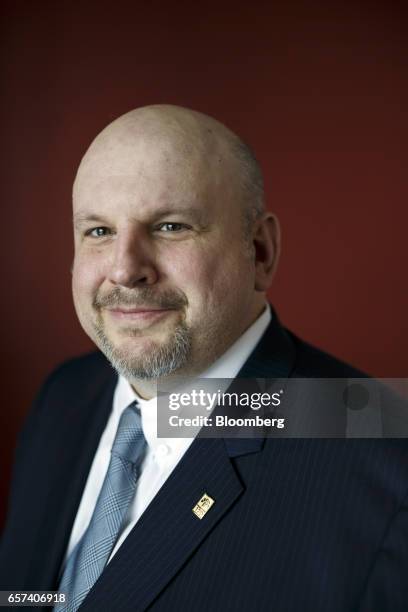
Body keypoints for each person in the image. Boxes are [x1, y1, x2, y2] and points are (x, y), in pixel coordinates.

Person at [1, 105, 407, 611]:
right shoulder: (63, 397)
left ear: (259, 252)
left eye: (170, 226)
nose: (125, 270)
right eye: (99, 231)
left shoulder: (387, 461)